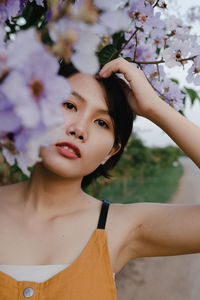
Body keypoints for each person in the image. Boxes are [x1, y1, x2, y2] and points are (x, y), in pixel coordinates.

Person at [0, 56, 199, 299]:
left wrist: (154, 108)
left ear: (111, 151)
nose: (79, 129)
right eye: (69, 105)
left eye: (101, 122)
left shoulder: (119, 227)